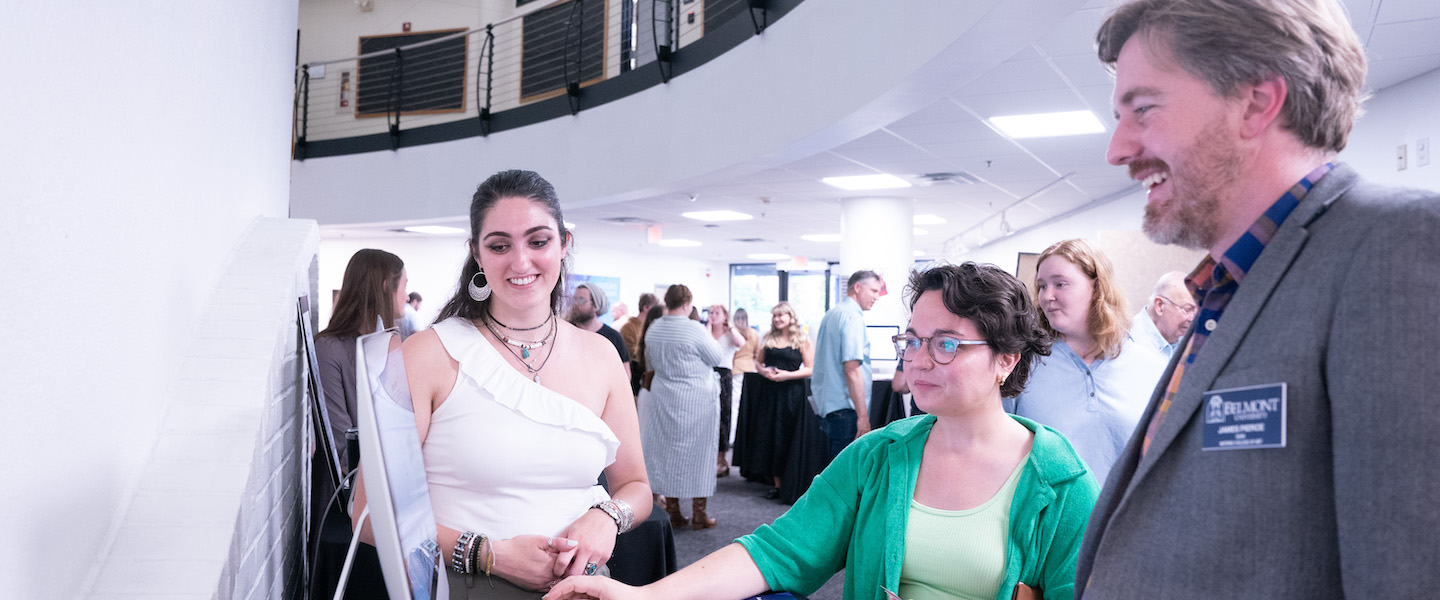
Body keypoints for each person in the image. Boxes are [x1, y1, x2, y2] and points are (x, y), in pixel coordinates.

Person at [1075, 0, 1440, 596]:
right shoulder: (1229, 287)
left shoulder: (1396, 247)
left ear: (1256, 102)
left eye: (1143, 109)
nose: (1117, 149)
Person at [544, 262, 1100, 600]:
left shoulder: (1058, 481)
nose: (919, 360)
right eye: (911, 340)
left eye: (947, 343)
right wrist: (646, 596)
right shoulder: (878, 457)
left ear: (1005, 359)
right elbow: (777, 550)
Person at [351, 170, 652, 597]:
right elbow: (368, 513)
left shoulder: (601, 354)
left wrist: (607, 515)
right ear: (476, 253)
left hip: (584, 589)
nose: (520, 262)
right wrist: (489, 554)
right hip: (465, 586)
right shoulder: (425, 356)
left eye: (538, 241)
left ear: (564, 244)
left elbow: (636, 487)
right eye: (499, 245)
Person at [1007, 239, 1166, 484]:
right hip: (1048, 517)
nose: (1047, 296)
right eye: (1041, 286)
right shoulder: (1024, 364)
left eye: (1060, 284)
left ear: (1097, 287)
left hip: (1124, 516)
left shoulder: (1150, 368)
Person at [637, 284, 728, 530]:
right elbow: (717, 357)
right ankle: (700, 514)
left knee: (668, 455)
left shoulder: (655, 328)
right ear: (687, 304)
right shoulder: (694, 329)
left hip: (664, 398)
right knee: (700, 454)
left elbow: (651, 361)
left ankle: (674, 512)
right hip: (696, 400)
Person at [315, 248, 409, 468]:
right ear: (386, 286)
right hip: (352, 491)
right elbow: (341, 446)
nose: (407, 296)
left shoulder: (390, 346)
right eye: (405, 285)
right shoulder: (329, 349)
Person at [732, 301, 824, 503]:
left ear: (791, 317)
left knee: (788, 436)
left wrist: (788, 375)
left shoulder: (802, 338)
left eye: (781, 315)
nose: (777, 319)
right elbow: (758, 361)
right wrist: (762, 370)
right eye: (774, 316)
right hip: (770, 392)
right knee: (772, 436)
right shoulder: (768, 338)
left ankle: (791, 482)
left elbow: (810, 368)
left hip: (792, 393)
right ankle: (776, 484)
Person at [811, 270, 884, 460]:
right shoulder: (852, 318)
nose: (877, 297)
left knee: (833, 470)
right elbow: (851, 370)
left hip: (829, 408)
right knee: (846, 476)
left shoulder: (832, 314)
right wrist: (863, 416)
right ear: (857, 287)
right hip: (847, 410)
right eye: (874, 291)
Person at [707, 304, 745, 477]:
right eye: (711, 312)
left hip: (724, 374)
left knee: (724, 416)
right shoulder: (705, 330)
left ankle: (722, 458)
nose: (713, 315)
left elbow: (741, 343)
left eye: (717, 313)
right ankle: (709, 458)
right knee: (708, 416)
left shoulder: (730, 332)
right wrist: (708, 325)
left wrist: (729, 327)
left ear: (725, 316)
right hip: (707, 373)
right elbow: (705, 346)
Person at [568, 282, 632, 380]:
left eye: (581, 300)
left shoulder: (612, 336)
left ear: (595, 306)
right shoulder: (566, 331)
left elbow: (625, 375)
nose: (575, 305)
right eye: (574, 300)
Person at [1128, 271, 1193, 357]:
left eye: (1197, 310)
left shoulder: (1190, 343)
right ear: (1160, 306)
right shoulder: (1127, 344)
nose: (1192, 318)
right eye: (1187, 309)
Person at [728, 308, 759, 446]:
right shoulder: (753, 333)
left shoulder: (732, 334)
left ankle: (733, 438)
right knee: (748, 405)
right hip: (751, 370)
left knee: (735, 406)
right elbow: (757, 354)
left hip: (736, 370)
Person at [621, 294, 657, 395]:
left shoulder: (651, 328)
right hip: (635, 380)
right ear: (646, 308)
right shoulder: (628, 328)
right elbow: (631, 353)